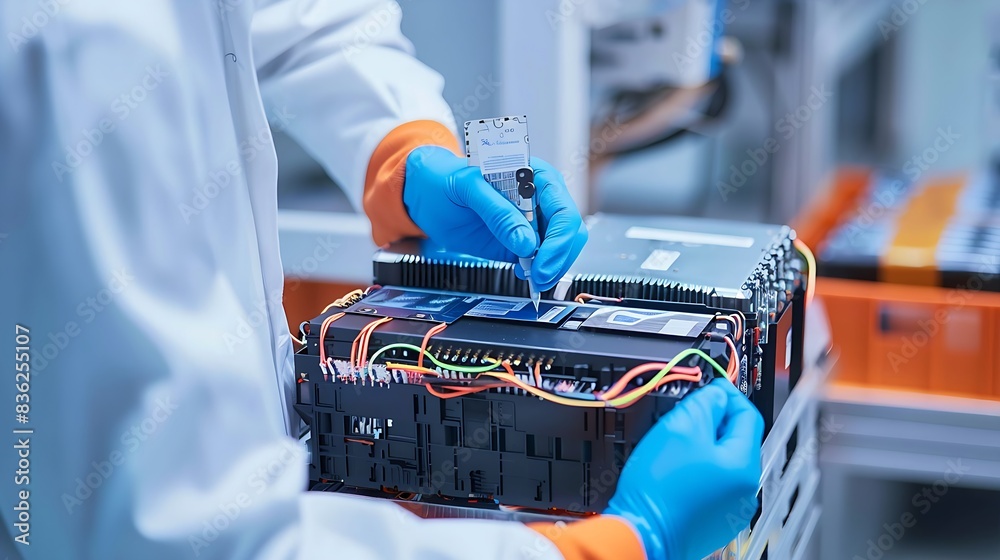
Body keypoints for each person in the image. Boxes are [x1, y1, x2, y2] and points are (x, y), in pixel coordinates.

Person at [0, 2, 762, 558]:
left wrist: (400, 150)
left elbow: (298, 19)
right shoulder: (78, 44)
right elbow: (196, 538)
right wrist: (622, 546)